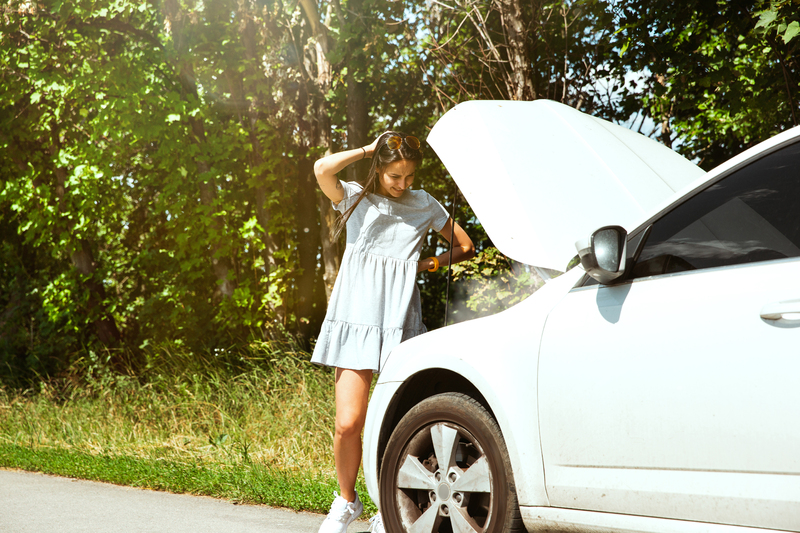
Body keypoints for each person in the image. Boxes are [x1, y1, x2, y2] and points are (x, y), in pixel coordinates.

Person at [312, 131, 475, 533]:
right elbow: (322, 168)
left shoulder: (424, 204)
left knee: (396, 423)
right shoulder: (355, 198)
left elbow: (465, 246)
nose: (403, 184)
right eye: (394, 176)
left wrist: (425, 265)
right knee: (348, 423)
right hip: (356, 318)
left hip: (400, 323)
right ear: (379, 168)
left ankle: (389, 507)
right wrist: (370, 147)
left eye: (409, 176)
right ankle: (346, 501)